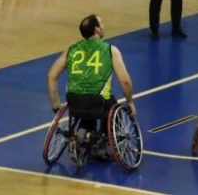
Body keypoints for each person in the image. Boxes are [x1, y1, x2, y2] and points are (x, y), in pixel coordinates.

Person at [47, 15, 136, 160]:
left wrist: (55, 103)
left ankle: (79, 137)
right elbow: (125, 81)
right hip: (97, 102)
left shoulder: (72, 49)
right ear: (96, 29)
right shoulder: (110, 50)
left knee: (87, 109)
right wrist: (130, 102)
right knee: (110, 107)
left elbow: (51, 76)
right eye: (101, 23)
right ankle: (107, 147)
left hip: (73, 102)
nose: (103, 26)